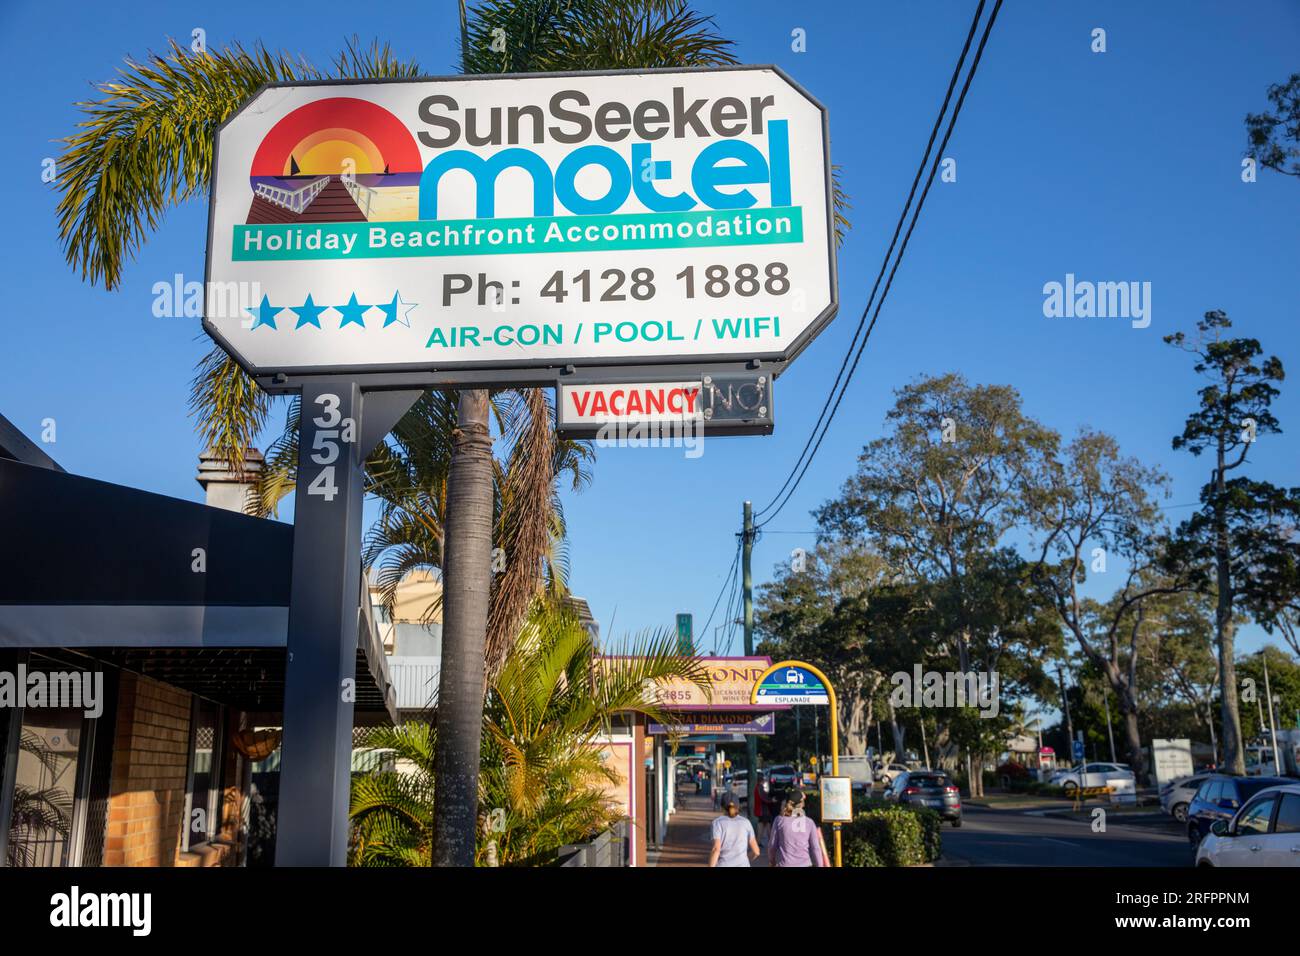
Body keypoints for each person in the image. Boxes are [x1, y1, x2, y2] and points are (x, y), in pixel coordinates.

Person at [767, 790, 829, 867]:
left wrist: (772, 861)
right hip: (805, 864)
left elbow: (772, 845)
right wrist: (820, 865)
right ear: (802, 804)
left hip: (785, 864)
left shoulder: (779, 820)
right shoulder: (809, 822)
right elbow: (815, 848)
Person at [708, 793, 759, 867]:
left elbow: (716, 849)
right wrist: (744, 860)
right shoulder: (746, 822)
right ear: (738, 807)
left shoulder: (717, 823)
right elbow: (756, 852)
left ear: (722, 807)